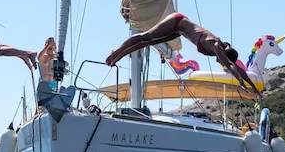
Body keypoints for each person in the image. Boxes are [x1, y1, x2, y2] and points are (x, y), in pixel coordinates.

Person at [105, 12, 263, 98]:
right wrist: (240, 81)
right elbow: (230, 65)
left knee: (147, 43)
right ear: (226, 54)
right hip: (177, 21)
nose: (220, 62)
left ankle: (119, 55)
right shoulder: (217, 46)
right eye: (223, 60)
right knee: (145, 37)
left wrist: (254, 88)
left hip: (178, 30)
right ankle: (116, 51)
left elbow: (236, 67)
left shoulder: (221, 49)